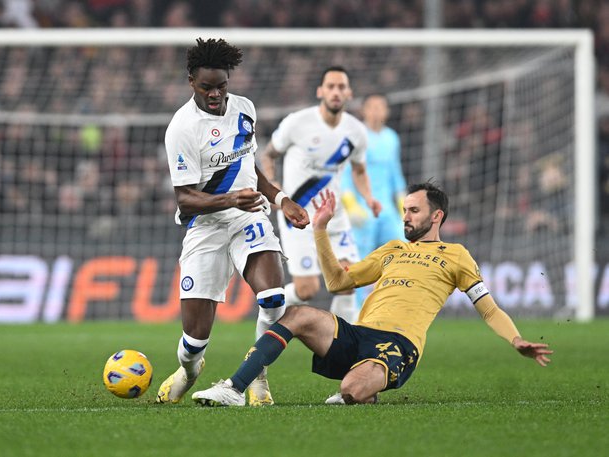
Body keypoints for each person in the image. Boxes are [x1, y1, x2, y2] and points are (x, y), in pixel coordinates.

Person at [191, 183, 553, 406]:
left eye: (414, 211)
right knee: (298, 313)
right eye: (405, 211)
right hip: (357, 335)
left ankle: (364, 388)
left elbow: (488, 310)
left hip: (398, 344)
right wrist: (321, 231)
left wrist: (516, 339)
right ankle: (234, 389)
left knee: (350, 391)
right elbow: (337, 283)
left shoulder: (456, 256)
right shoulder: (393, 249)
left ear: (437, 216)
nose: (406, 217)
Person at [156, 38, 309, 407]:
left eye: (221, 86)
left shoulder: (244, 109)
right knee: (194, 340)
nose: (215, 94)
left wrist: (281, 198)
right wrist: (229, 199)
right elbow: (185, 198)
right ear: (191, 81)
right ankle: (189, 372)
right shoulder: (182, 127)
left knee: (273, 299)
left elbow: (247, 166)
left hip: (248, 217)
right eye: (207, 87)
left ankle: (256, 374)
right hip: (204, 227)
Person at [260, 66, 382, 323]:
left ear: (349, 93)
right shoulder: (297, 122)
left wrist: (369, 198)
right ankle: (270, 306)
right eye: (331, 86)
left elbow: (359, 171)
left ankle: (338, 344)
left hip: (333, 216)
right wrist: (274, 189)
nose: (336, 92)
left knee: (348, 280)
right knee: (307, 290)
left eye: (341, 87)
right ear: (320, 91)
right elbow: (269, 155)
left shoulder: (356, 132)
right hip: (299, 216)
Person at [340, 94, 407, 313]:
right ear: (364, 110)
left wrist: (403, 208)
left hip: (387, 209)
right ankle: (358, 309)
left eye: (381, 107)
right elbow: (346, 173)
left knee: (402, 252)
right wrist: (351, 205)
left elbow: (395, 174)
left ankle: (395, 303)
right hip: (363, 209)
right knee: (361, 260)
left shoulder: (392, 138)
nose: (377, 111)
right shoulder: (355, 135)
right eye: (372, 107)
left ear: (387, 111)